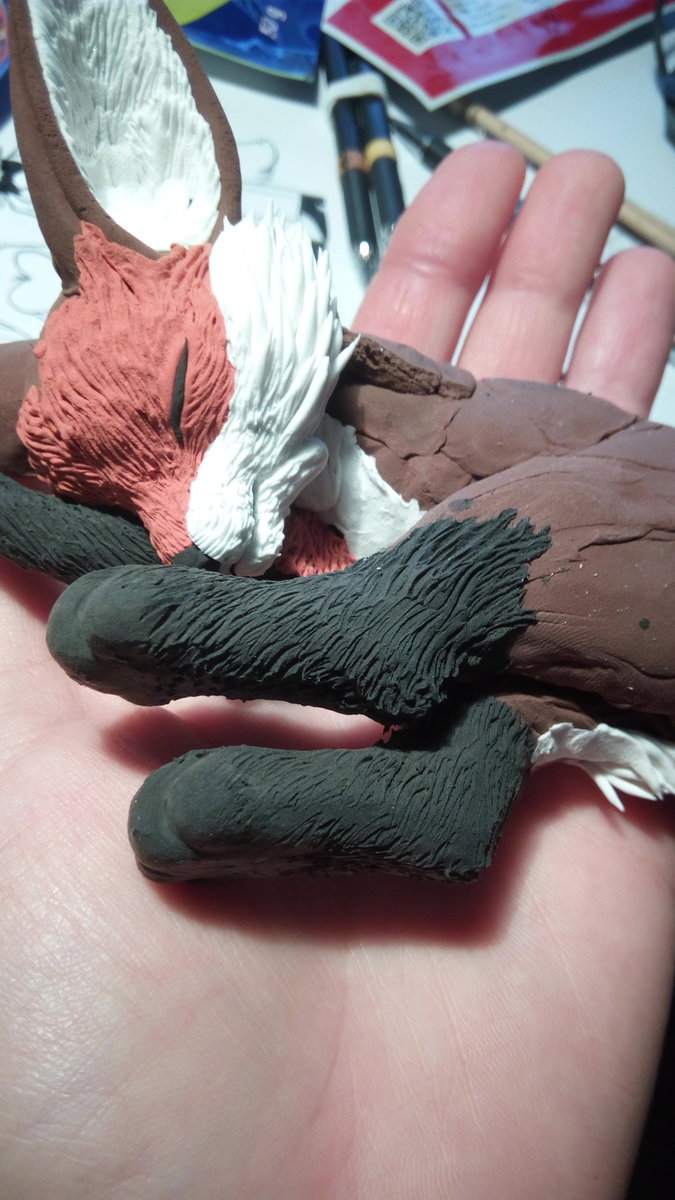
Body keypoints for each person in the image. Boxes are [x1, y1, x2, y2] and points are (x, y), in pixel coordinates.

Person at [1, 142, 674, 1199]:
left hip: (626, 522)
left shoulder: (359, 403)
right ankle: (436, 796)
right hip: (546, 672)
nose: (184, 517)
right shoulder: (245, 491)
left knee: (423, 596)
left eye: (180, 409)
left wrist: (201, 622)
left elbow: (216, 595)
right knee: (252, 588)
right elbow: (176, 559)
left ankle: (382, 642)